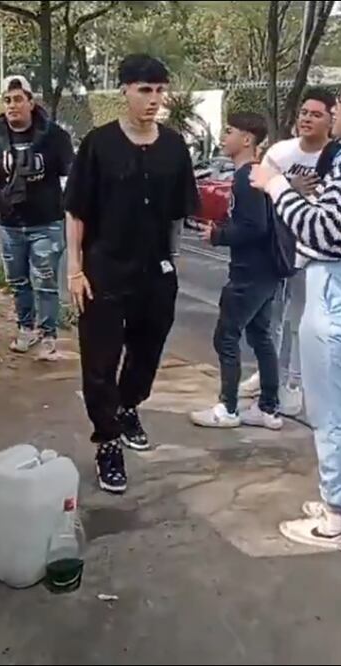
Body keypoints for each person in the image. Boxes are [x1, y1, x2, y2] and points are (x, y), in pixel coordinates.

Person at [250, 76, 341, 551]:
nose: (335, 111)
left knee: (331, 412)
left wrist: (276, 186)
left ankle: (334, 520)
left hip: (338, 289)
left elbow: (323, 231)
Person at [64, 54, 198, 494]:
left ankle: (128, 406)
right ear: (125, 91)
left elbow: (178, 214)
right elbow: (76, 210)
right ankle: (107, 441)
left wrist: (172, 261)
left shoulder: (174, 147)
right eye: (144, 90)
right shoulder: (99, 144)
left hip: (155, 271)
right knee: (100, 360)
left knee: (147, 351)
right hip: (104, 269)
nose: (153, 100)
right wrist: (75, 270)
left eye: (159, 90)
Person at [237, 87, 338, 418]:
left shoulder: (337, 158)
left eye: (316, 114)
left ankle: (295, 384)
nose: (307, 119)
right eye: (304, 112)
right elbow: (256, 189)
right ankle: (268, 375)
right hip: (277, 246)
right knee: (271, 317)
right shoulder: (280, 152)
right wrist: (287, 188)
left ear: (331, 119)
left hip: (313, 251)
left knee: (302, 320)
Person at [0, 75, 74, 360]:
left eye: (18, 99)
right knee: (18, 281)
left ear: (31, 102)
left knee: (45, 281)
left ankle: (49, 336)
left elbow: (71, 176)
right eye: (7, 100)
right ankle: (26, 328)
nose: (12, 105)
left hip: (47, 223)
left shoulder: (54, 136)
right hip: (10, 224)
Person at [189, 113, 283, 431]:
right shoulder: (259, 174)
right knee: (260, 336)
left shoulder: (247, 177)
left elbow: (254, 226)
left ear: (247, 139)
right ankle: (268, 408)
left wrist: (218, 235)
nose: (223, 136)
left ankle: (228, 408)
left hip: (249, 272)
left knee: (226, 337)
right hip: (266, 270)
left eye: (229, 131)